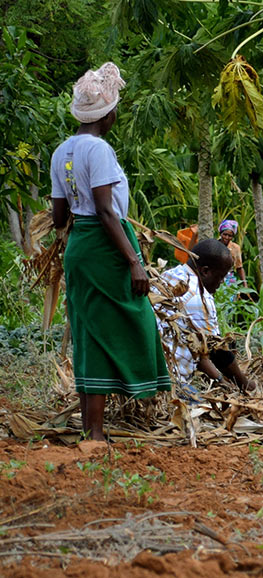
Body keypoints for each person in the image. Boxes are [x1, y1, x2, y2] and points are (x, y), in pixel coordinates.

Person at [49, 62, 169, 442]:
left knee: (90, 330)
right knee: (135, 323)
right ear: (110, 113)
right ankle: (97, 434)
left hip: (80, 247)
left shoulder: (61, 152)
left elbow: (57, 216)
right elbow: (105, 209)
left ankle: (92, 430)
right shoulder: (98, 150)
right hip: (107, 247)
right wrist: (135, 262)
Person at [159, 238, 254, 403]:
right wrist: (246, 385)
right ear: (205, 271)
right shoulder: (199, 297)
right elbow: (217, 351)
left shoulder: (169, 275)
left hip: (151, 374)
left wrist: (220, 380)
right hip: (170, 384)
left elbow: (195, 348)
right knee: (206, 412)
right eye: (221, 276)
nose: (222, 282)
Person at [217, 220, 244, 285]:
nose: (227, 237)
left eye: (230, 236)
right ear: (220, 234)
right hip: (215, 277)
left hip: (229, 278)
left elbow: (239, 267)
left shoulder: (236, 248)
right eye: (225, 234)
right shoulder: (214, 245)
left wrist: (244, 284)